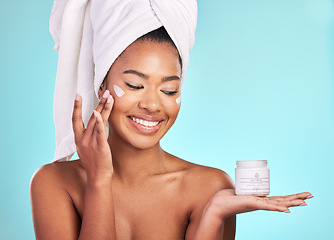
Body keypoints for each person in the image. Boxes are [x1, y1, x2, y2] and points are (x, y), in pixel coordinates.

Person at [30, 1, 313, 240]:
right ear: (101, 85)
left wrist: (212, 216)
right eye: (135, 85)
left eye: (169, 90)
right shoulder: (54, 183)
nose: (153, 105)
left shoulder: (210, 187)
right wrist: (99, 181)